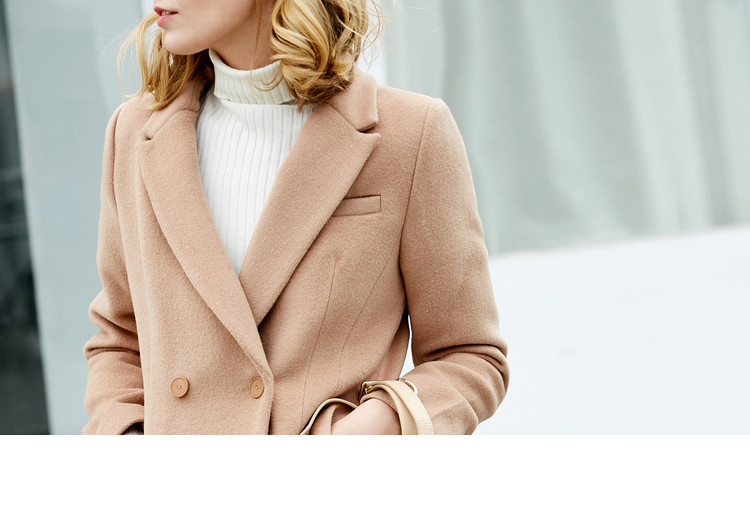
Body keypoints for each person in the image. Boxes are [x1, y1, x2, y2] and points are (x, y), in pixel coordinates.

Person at [82, 0, 509, 435]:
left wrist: (379, 422)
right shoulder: (133, 134)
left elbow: (470, 356)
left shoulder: (409, 133)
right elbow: (119, 339)